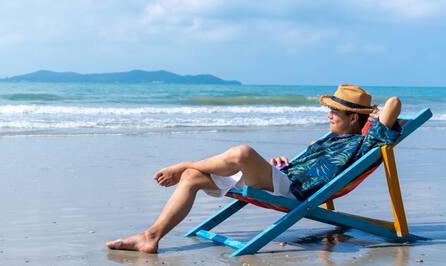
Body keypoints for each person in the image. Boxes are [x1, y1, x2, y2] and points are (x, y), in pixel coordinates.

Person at [106, 84, 402, 253]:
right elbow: (306, 168)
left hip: (295, 193)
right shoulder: (330, 138)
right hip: (284, 179)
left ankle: (184, 162)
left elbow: (394, 103)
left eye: (335, 112)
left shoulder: (367, 141)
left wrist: (370, 114)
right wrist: (281, 164)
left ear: (353, 118)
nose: (329, 115)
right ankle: (151, 236)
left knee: (242, 152)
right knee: (192, 177)